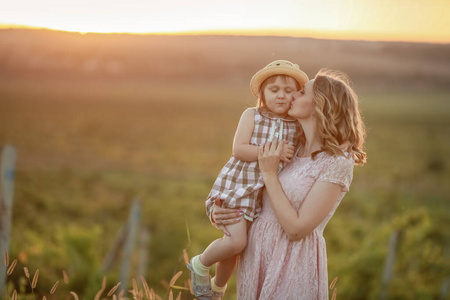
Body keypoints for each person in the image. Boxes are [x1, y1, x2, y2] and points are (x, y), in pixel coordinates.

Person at [211, 69, 367, 299]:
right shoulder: (289, 149)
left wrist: (270, 174)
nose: (291, 96)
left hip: (293, 263)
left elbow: (297, 229)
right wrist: (224, 207)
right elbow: (252, 190)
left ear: (320, 105)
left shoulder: (336, 162)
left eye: (301, 92)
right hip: (257, 259)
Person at [187, 60, 309, 299]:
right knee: (236, 243)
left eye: (288, 90)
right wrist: (272, 153)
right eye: (274, 90)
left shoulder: (297, 125)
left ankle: (217, 289)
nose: (282, 96)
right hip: (239, 188)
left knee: (236, 249)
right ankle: (200, 264)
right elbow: (239, 149)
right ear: (262, 93)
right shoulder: (251, 115)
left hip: (262, 196)